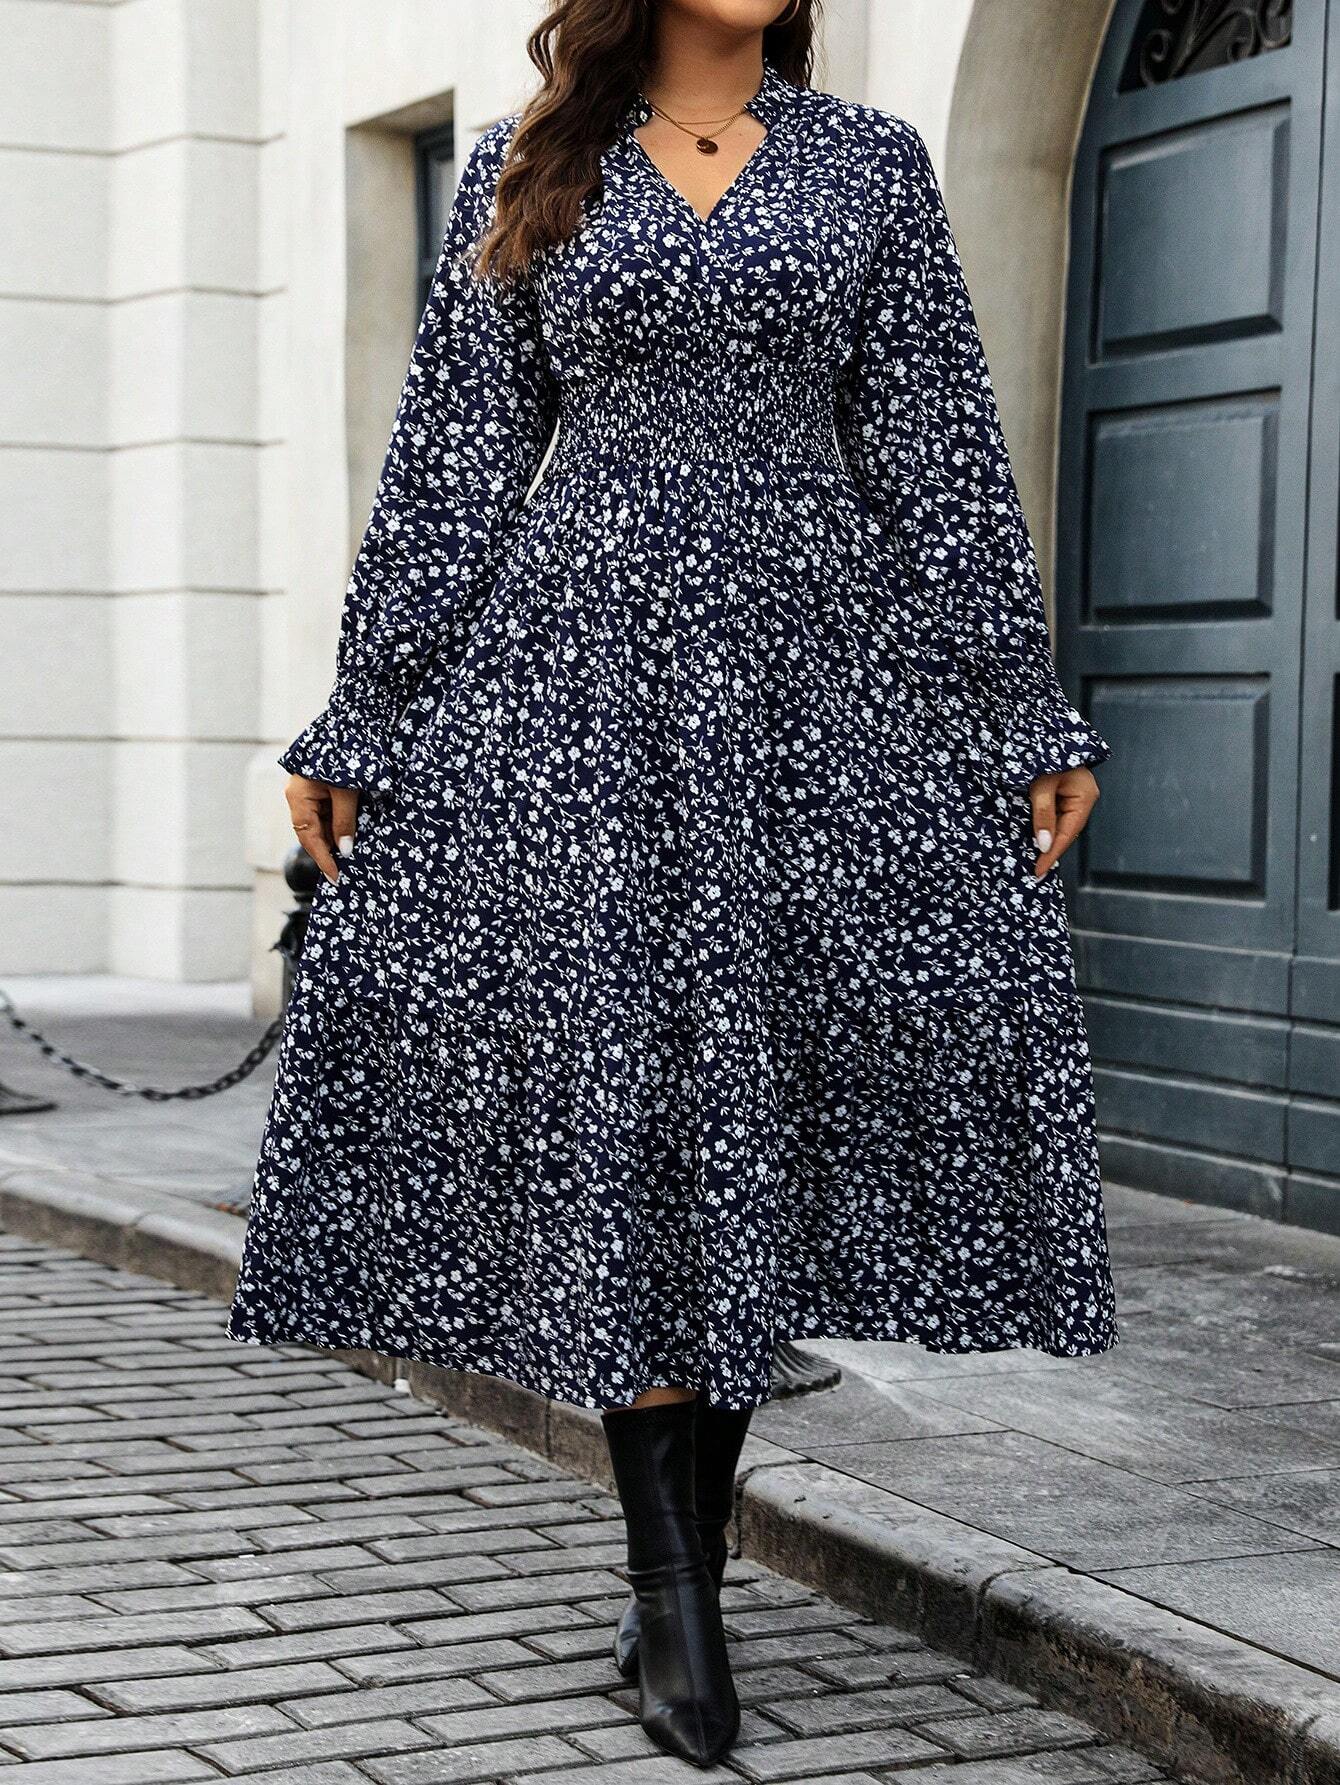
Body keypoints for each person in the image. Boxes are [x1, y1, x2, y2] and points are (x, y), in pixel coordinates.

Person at [227, 0, 1119, 1765]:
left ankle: (678, 1575)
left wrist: (1018, 703)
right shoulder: (529, 161)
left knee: (754, 1108)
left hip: (815, 686)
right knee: (631, 1102)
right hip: (580, 687)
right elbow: (454, 459)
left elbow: (938, 451)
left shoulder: (870, 163)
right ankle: (676, 1589)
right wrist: (369, 708)